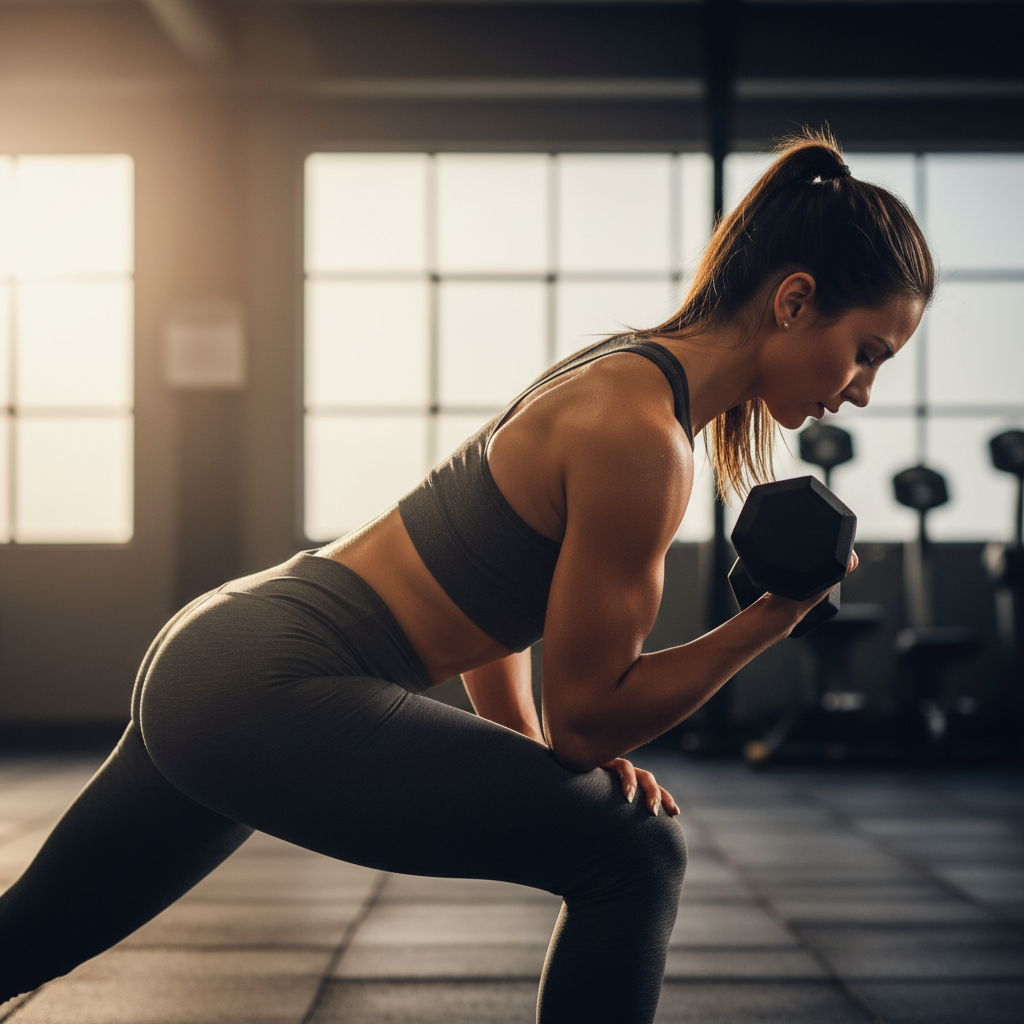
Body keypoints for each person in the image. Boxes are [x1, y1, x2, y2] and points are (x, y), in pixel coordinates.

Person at [0, 129, 933, 1023]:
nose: (861, 389)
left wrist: (529, 757)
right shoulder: (644, 441)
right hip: (267, 684)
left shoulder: (621, 378)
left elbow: (506, 617)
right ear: (795, 299)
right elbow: (590, 720)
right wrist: (778, 614)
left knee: (26, 939)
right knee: (636, 852)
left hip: (225, 651)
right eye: (867, 353)